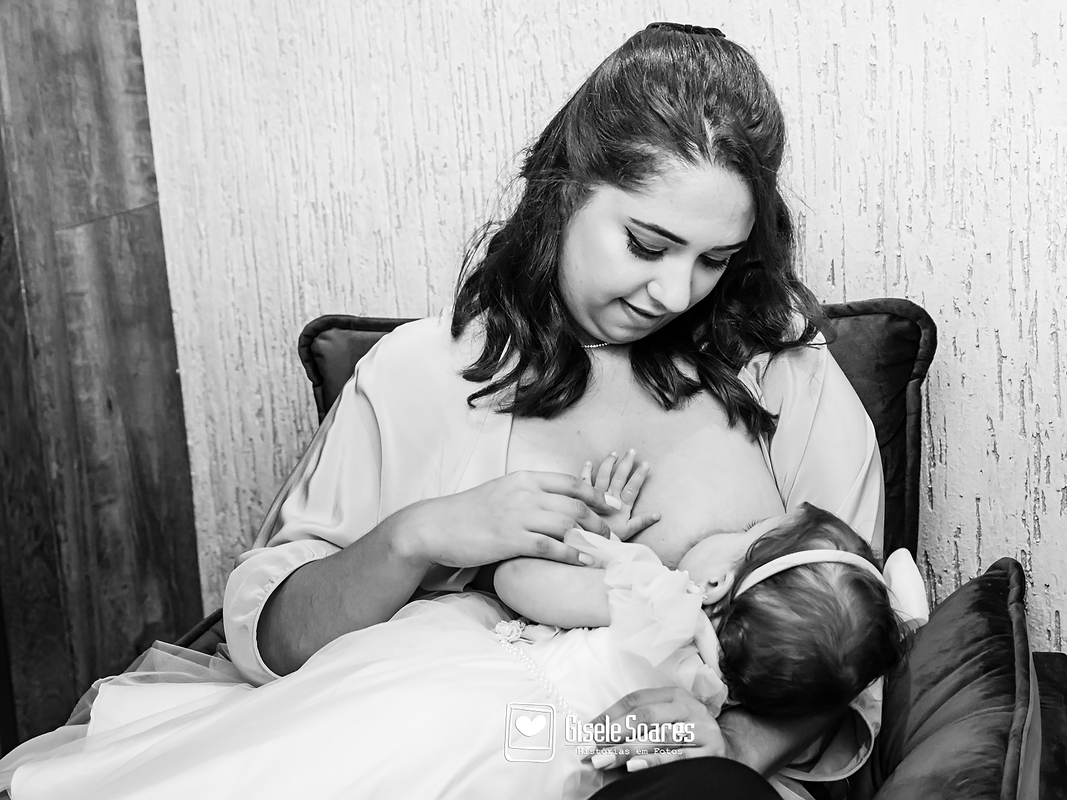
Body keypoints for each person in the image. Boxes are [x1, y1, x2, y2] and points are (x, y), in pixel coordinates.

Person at [0, 20, 887, 799]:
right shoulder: (421, 375)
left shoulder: (785, 381)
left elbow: (850, 647)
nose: (675, 292)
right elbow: (272, 644)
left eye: (715, 260)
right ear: (567, 189)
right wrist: (420, 537)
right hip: (441, 751)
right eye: (647, 244)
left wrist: (728, 747)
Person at [3, 465, 904, 800]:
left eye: (749, 532)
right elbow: (620, 751)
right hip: (545, 744)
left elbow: (514, 583)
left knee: (323, 761)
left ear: (714, 585)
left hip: (479, 699)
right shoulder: (715, 703)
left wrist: (598, 556)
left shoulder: (657, 599)